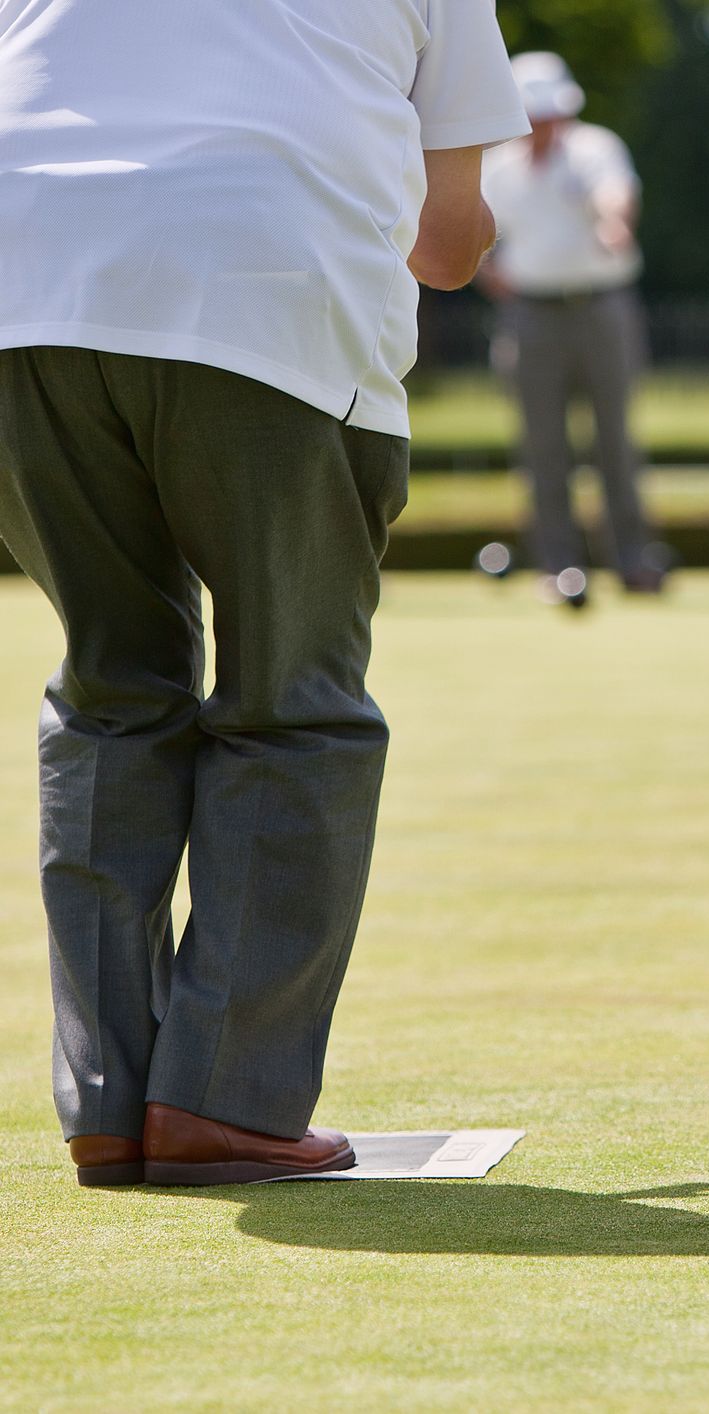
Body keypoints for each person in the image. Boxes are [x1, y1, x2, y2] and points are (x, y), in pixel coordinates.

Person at [0, 1, 527, 1187]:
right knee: (297, 702)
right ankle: (224, 1102)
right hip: (259, 278)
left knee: (111, 685)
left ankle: (107, 1102)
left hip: (17, 291)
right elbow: (447, 245)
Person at [479, 53, 662, 603]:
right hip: (530, 314)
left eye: (551, 113)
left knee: (615, 438)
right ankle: (558, 566)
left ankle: (633, 560)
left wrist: (613, 223)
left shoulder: (595, 149)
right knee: (542, 445)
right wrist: (492, 278)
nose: (543, 124)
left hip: (601, 306)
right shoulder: (497, 166)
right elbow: (477, 231)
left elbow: (616, 195)